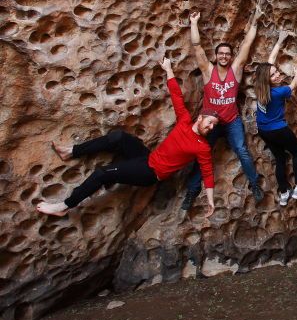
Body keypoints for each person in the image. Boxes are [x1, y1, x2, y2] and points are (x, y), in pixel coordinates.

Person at [37, 58, 218, 217]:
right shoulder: (184, 121)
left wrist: (211, 201)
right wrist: (168, 69)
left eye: (213, 126)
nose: (210, 127)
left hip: (149, 173)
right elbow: (177, 97)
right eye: (209, 122)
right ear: (200, 118)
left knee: (102, 174)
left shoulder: (202, 147)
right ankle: (72, 152)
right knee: (118, 137)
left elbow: (207, 172)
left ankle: (64, 206)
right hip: (148, 157)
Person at [182, 9, 264, 210]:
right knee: (202, 155)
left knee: (242, 151)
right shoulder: (208, 71)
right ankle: (191, 192)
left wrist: (256, 20)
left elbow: (246, 44)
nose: (225, 56)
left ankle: (255, 184)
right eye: (221, 53)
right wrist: (193, 23)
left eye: (228, 54)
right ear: (216, 56)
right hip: (209, 123)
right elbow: (197, 46)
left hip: (230, 120)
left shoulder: (236, 70)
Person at [254, 30, 297, 207]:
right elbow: (292, 87)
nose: (278, 74)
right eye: (274, 75)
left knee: (279, 158)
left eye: (277, 72)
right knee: (295, 152)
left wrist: (279, 41)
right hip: (278, 129)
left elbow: (269, 63)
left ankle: (284, 192)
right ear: (268, 80)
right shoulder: (278, 92)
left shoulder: (259, 86)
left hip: (263, 130)